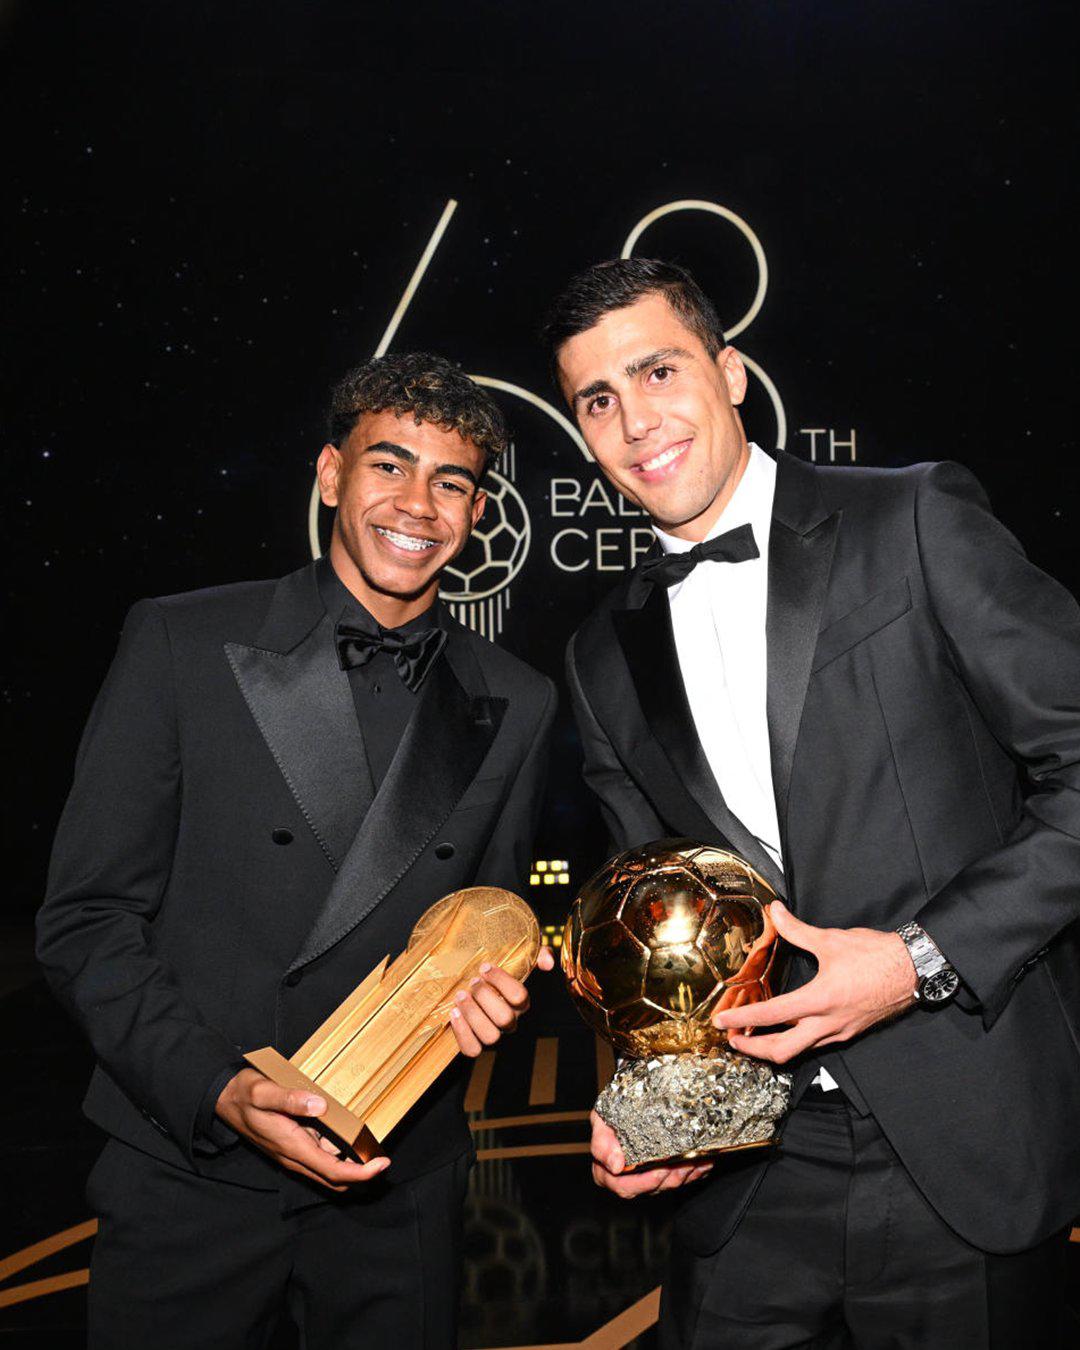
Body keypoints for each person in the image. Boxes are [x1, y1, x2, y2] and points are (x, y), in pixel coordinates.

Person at [542, 258, 1080, 1348]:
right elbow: (669, 942)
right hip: (746, 1174)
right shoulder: (599, 656)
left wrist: (918, 957)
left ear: (731, 374)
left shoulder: (914, 518)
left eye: (658, 370)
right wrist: (657, 1104)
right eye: (599, 400)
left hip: (962, 1146)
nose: (636, 420)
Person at [37, 351, 556, 1350]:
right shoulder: (183, 644)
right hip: (188, 1164)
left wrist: (497, 999)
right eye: (389, 466)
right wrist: (221, 1090)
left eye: (453, 482)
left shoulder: (518, 700)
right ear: (329, 475)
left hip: (397, 1179)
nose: (418, 504)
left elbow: (479, 927)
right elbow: (85, 920)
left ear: (479, 513)